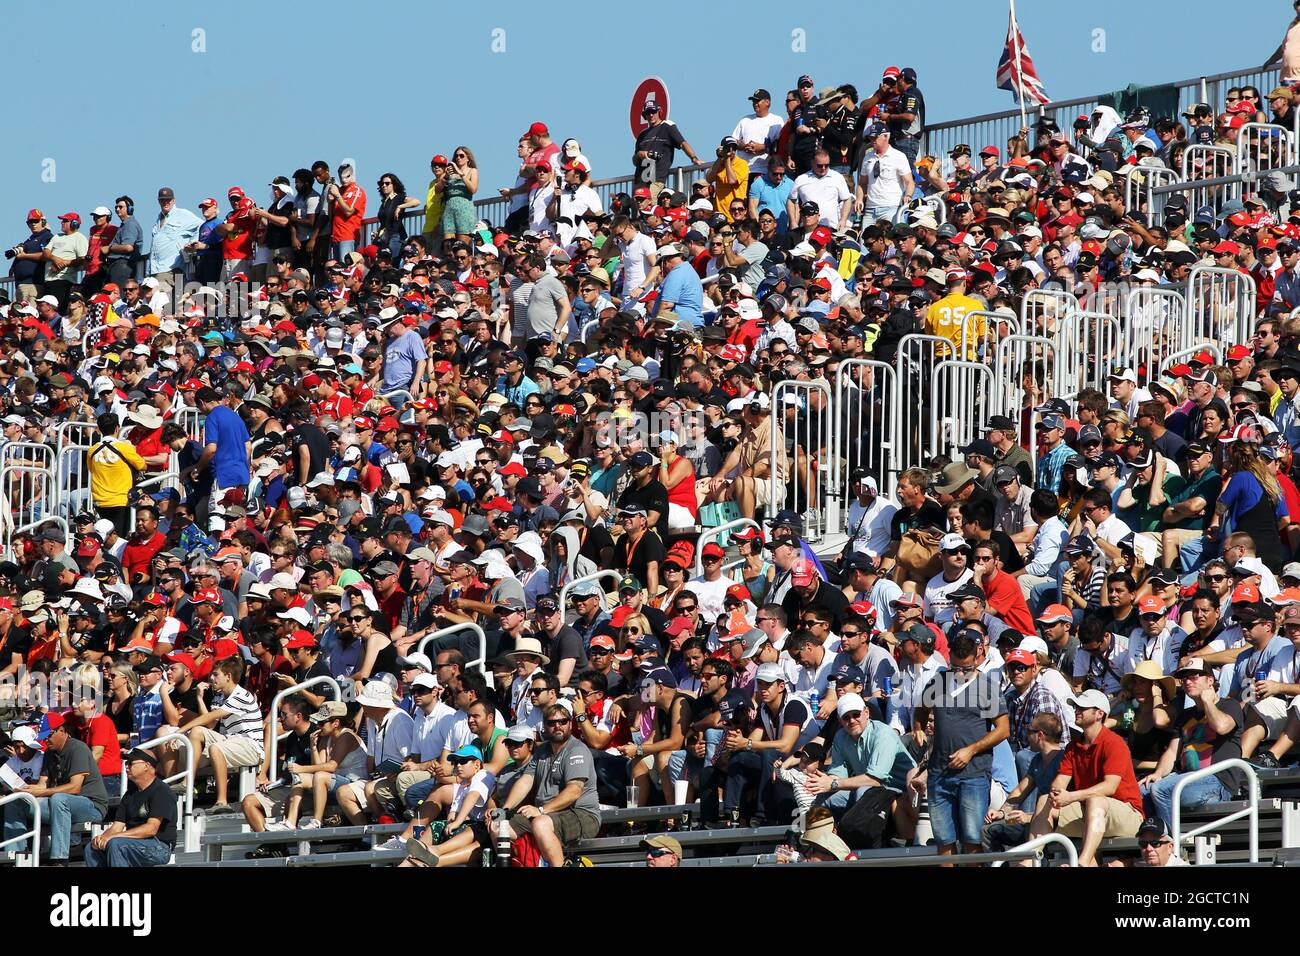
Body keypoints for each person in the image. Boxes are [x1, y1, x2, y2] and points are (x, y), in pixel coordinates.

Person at [910, 630, 1009, 860]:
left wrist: (971, 750)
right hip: (939, 774)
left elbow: (1004, 730)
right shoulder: (938, 682)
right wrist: (918, 728)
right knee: (944, 840)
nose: (961, 673)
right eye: (955, 668)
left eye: (966, 668)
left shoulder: (987, 688)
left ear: (977, 659)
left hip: (973, 774)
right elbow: (921, 710)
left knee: (973, 839)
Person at [1025, 688, 1145, 866]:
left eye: (1082, 707)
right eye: (1076, 706)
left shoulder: (1115, 742)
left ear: (1099, 714)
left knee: (1096, 801)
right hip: (1092, 812)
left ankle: (1081, 863)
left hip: (1129, 815)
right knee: (1044, 800)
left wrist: (1071, 796)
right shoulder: (1074, 746)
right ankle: (1028, 861)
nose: (1076, 710)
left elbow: (1109, 788)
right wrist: (1057, 793)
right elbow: (1059, 784)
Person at [1140, 657, 1246, 834]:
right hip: (1187, 778)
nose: (1188, 682)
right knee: (1141, 790)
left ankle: (1171, 845)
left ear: (1210, 680)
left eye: (1194, 677)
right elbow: (1173, 751)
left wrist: (1208, 703)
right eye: (1184, 678)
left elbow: (1221, 727)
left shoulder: (1230, 705)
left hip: (1218, 781)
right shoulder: (1185, 715)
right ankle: (1153, 841)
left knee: (1160, 789)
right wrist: (1157, 774)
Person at [498, 703, 601, 867]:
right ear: (544, 726)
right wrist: (504, 810)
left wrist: (540, 810)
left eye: (563, 721)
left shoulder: (577, 750)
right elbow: (526, 780)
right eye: (552, 723)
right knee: (498, 827)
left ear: (570, 723)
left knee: (541, 823)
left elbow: (574, 792)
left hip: (581, 813)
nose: (557, 726)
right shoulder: (542, 751)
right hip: (549, 815)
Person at [2, 712, 109, 864]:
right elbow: (42, 784)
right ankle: (14, 856)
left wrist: (41, 791)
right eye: (44, 736)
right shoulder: (49, 753)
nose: (46, 740)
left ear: (62, 730)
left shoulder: (78, 748)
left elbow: (75, 788)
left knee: (59, 798)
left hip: (92, 806)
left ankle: (59, 859)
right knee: (16, 801)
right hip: (61, 805)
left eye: (49, 735)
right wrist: (25, 790)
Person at [85, 748, 177, 868]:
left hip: (159, 846)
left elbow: (151, 829)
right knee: (91, 848)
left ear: (146, 766)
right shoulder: (130, 794)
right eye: (126, 763)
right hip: (132, 843)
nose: (126, 766)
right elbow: (117, 826)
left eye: (130, 763)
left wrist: (113, 837)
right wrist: (102, 838)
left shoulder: (161, 790)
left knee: (116, 844)